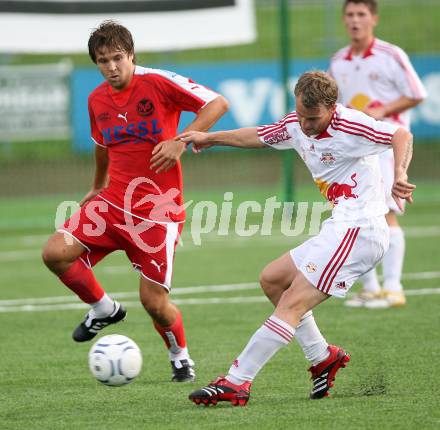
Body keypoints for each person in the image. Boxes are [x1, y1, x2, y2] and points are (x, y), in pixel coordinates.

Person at [179, 71, 415, 405]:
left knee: (292, 303)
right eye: (301, 116)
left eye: (313, 118)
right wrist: (210, 138)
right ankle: (322, 356)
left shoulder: (351, 125)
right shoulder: (296, 123)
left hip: (361, 230)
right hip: (339, 226)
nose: (304, 125)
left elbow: (401, 134)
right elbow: (257, 136)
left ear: (332, 108)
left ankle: (236, 381)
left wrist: (401, 174)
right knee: (273, 280)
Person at [42, 20, 228, 382]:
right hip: (111, 204)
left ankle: (180, 356)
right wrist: (97, 185)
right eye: (103, 61)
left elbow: (217, 103)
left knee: (154, 303)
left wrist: (182, 140)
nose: (111, 67)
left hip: (157, 214)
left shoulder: (158, 83)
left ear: (131, 55)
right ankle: (103, 308)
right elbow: (101, 144)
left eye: (117, 58)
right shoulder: (97, 99)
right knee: (54, 253)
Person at [329, 0, 426, 308]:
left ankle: (394, 288)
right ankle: (370, 288)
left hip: (386, 145)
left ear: (374, 19)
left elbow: (416, 93)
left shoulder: (390, 55)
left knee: (386, 214)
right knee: (357, 215)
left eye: (361, 14)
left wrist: (383, 109)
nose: (355, 20)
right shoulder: (339, 61)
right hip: (355, 149)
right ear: (344, 20)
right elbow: (337, 105)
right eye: (350, 15)